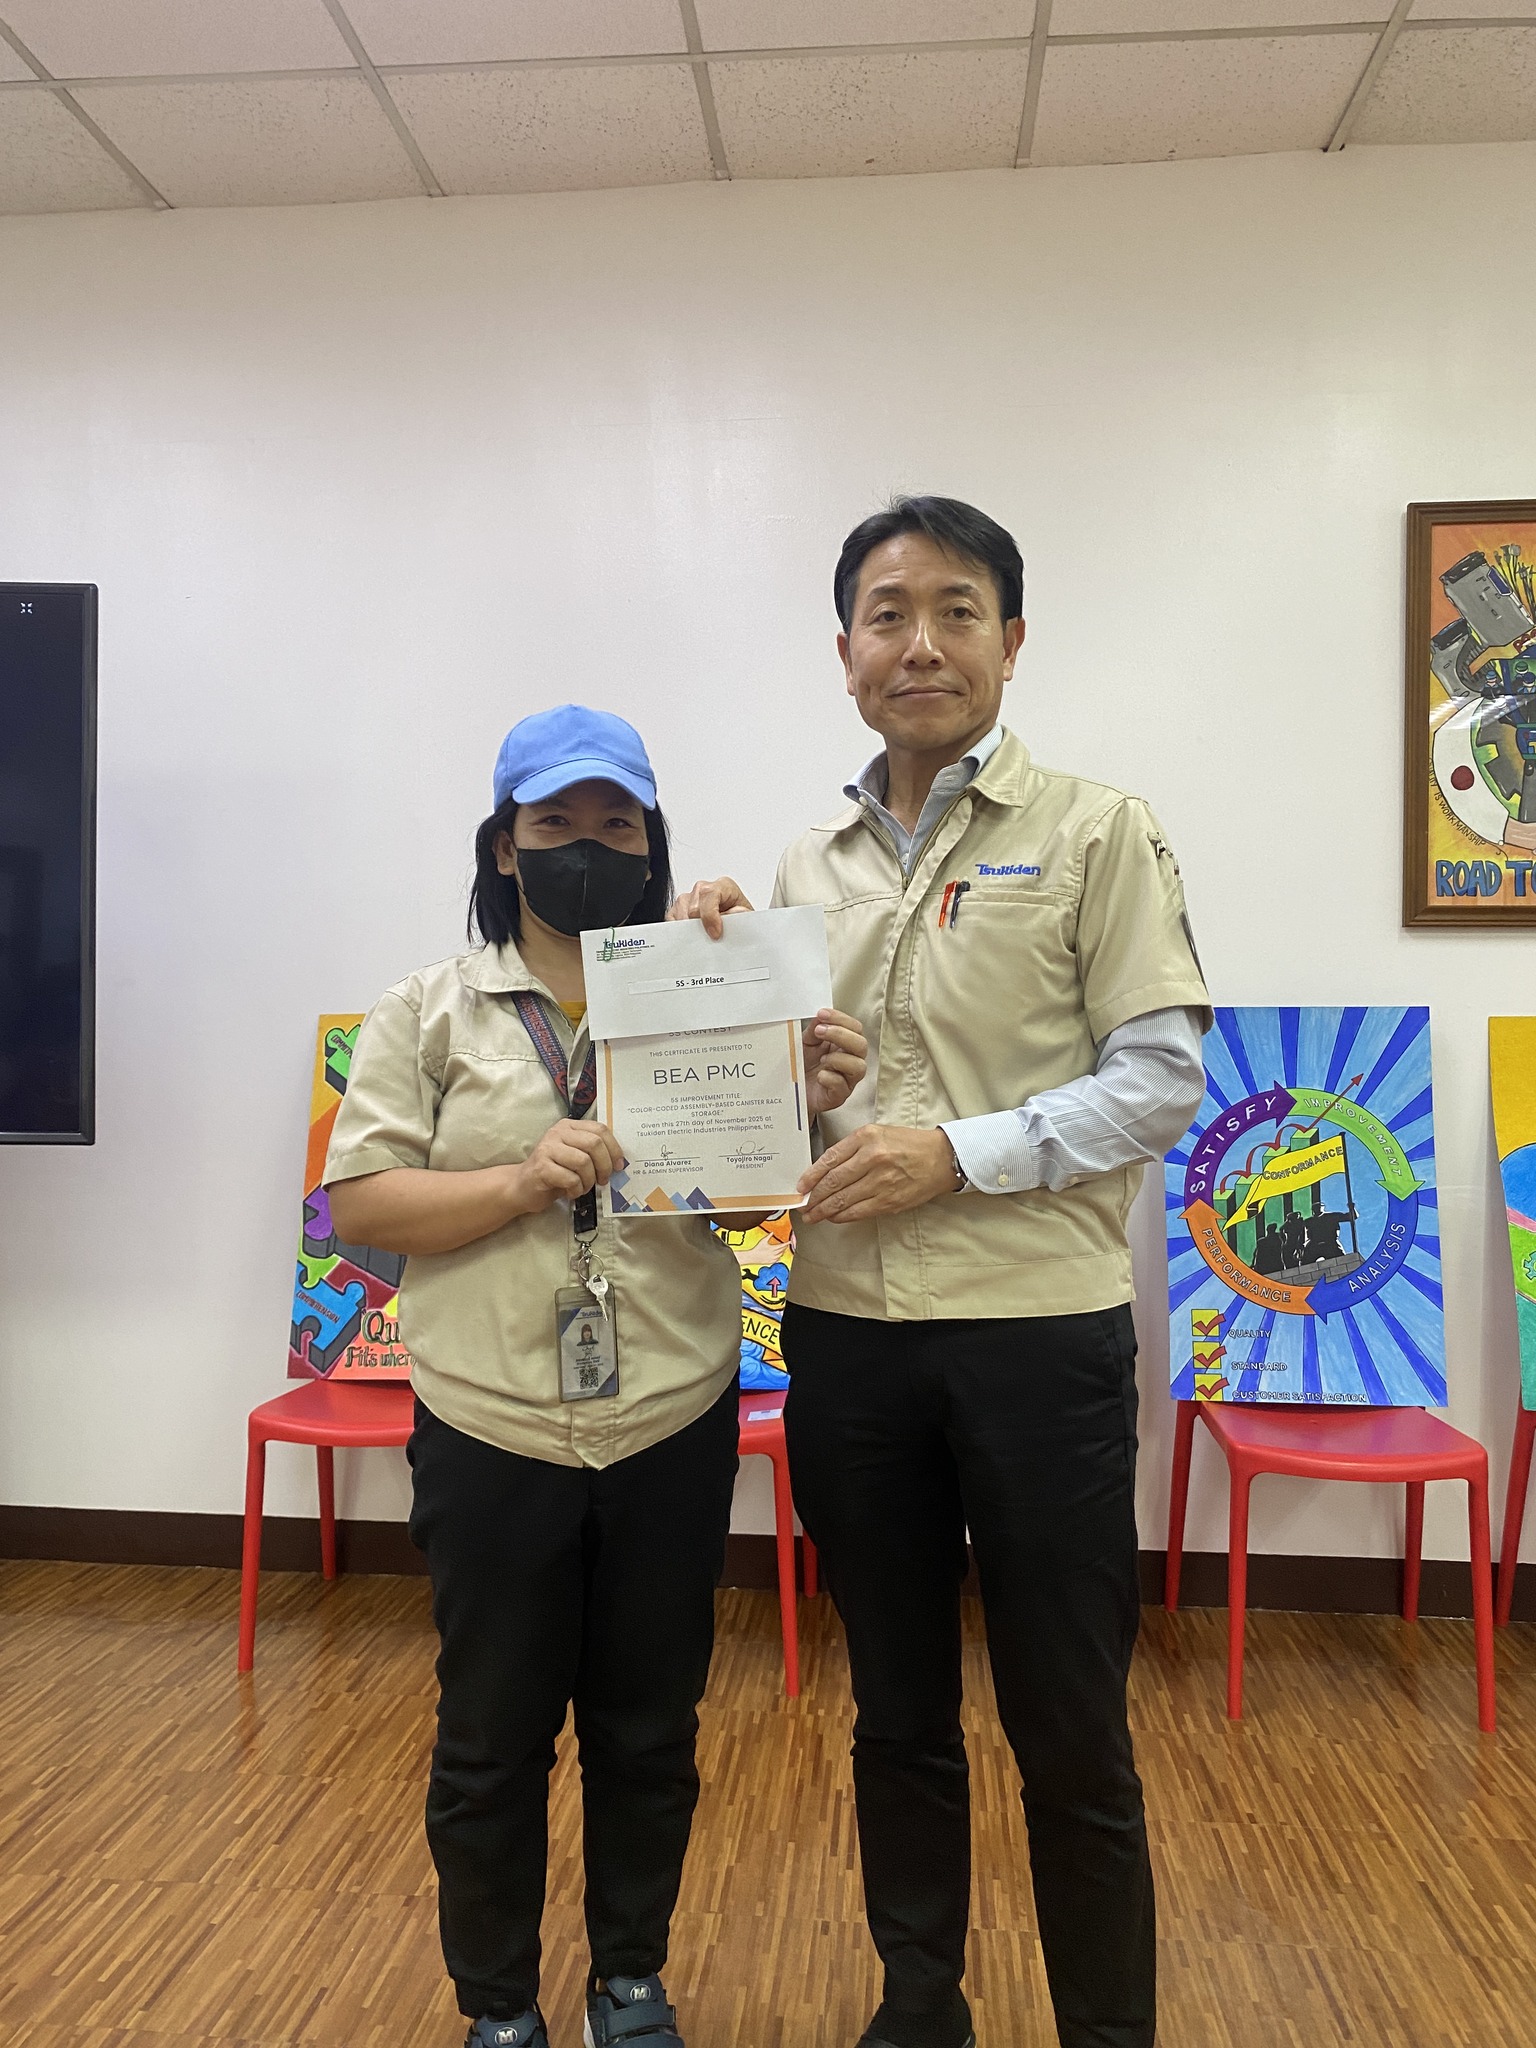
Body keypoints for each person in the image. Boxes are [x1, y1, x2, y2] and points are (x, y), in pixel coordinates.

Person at [675, 497, 1212, 2048]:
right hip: (848, 1336)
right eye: (888, 614)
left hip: (1038, 1336)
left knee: (1071, 1725)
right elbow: (778, 1114)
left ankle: (1108, 2029)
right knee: (895, 1710)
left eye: (958, 610)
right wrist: (714, 982)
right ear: (845, 653)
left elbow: (1162, 1080)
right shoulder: (806, 860)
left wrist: (956, 1154)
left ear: (1012, 642)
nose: (922, 644)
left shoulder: (1098, 830)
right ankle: (921, 2005)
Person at [324, 705, 865, 2048]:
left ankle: (630, 1980)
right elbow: (363, 1207)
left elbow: (752, 1210)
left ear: (649, 844)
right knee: (490, 1739)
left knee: (649, 1731)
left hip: (669, 1415)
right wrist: (519, 1181)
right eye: (554, 823)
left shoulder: (700, 988)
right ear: (506, 846)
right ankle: (500, 2008)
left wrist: (798, 1095)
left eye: (615, 824)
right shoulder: (430, 1010)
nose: (586, 846)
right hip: (489, 1424)